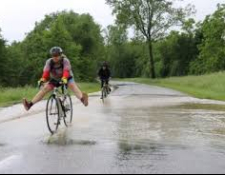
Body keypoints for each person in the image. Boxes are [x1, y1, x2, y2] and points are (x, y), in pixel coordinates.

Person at [23, 46, 88, 111]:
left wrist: (64, 78)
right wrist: (42, 79)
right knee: (44, 89)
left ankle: (83, 100)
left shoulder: (65, 61)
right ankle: (29, 105)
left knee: (72, 86)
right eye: (53, 55)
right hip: (55, 79)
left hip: (67, 77)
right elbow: (46, 73)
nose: (55, 57)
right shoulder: (49, 62)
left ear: (60, 55)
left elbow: (66, 71)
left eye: (57, 55)